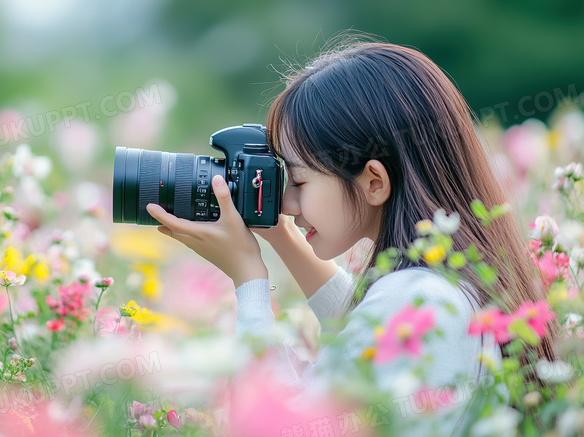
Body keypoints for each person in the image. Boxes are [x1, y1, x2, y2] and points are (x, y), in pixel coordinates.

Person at [145, 37, 556, 435]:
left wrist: (249, 279)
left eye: (299, 182)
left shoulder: (413, 297)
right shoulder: (442, 284)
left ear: (374, 181)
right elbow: (368, 332)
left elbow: (283, 428)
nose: (287, 203)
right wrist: (281, 238)